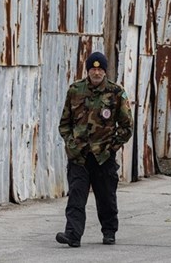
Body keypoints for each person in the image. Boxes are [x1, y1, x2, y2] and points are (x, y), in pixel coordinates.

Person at [56, 52, 133, 247]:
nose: (96, 72)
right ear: (88, 70)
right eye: (93, 69)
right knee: (76, 196)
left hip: (103, 156)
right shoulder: (75, 90)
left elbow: (126, 127)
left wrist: (111, 147)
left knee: (106, 197)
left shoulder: (116, 92)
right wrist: (71, 145)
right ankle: (72, 234)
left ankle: (109, 231)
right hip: (79, 156)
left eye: (100, 69)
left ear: (105, 71)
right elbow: (64, 124)